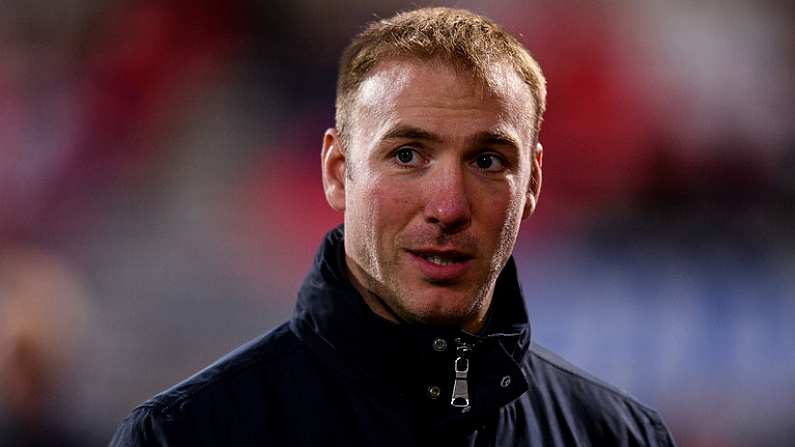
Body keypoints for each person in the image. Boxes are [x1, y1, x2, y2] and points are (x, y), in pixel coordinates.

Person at [110, 7, 676, 446]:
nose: (448, 205)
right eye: (407, 155)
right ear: (338, 172)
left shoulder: (617, 436)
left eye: (488, 161)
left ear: (531, 184)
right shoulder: (186, 435)